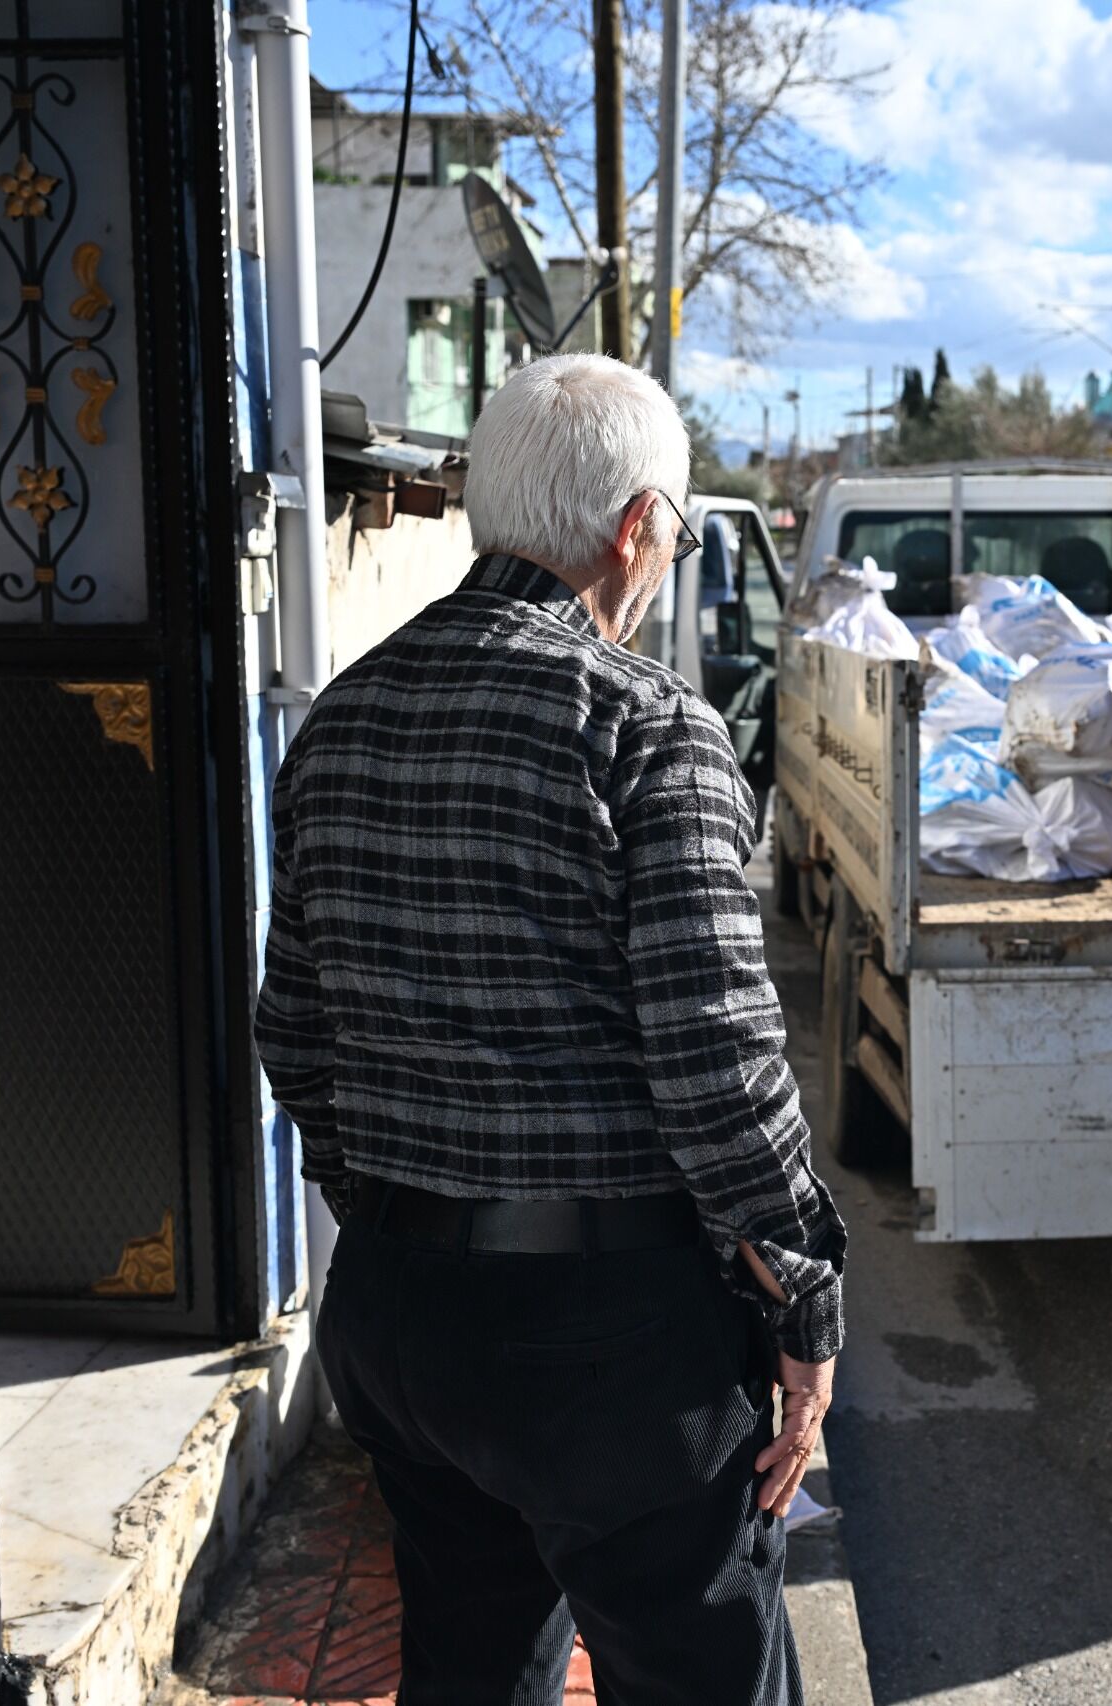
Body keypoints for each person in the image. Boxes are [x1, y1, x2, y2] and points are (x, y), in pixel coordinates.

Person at [256, 352, 846, 1704]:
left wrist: (407, 1206)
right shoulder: (646, 729)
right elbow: (720, 1078)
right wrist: (804, 1298)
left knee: (468, 1667)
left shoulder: (340, 718)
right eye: (677, 536)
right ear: (638, 526)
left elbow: (297, 1030)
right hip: (611, 1348)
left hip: (400, 1321)